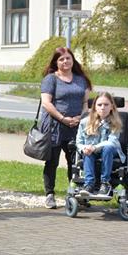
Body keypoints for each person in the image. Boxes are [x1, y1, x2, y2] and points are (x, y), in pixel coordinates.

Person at [39, 47, 91, 208]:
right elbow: (46, 103)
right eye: (61, 59)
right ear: (56, 62)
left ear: (73, 60)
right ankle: (50, 194)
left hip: (76, 127)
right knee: (52, 162)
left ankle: (74, 193)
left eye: (68, 58)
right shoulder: (50, 79)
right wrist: (63, 118)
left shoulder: (80, 79)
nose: (65, 61)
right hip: (55, 127)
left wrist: (80, 118)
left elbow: (85, 103)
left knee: (75, 162)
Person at [76, 92, 125, 197]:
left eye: (106, 105)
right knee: (87, 151)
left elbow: (112, 141)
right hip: (92, 152)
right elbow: (79, 142)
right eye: (99, 105)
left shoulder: (116, 122)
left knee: (107, 147)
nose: (103, 108)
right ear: (94, 107)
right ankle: (89, 185)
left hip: (111, 152)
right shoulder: (85, 122)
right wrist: (85, 148)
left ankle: (105, 183)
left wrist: (94, 147)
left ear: (111, 106)